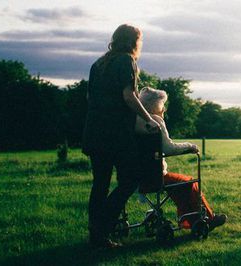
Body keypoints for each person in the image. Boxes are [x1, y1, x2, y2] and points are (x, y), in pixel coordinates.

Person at [82, 24, 160, 248]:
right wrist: (148, 118)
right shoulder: (126, 61)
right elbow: (129, 96)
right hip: (115, 134)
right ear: (133, 41)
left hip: (94, 132)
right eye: (140, 40)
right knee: (131, 179)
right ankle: (103, 225)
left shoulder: (98, 64)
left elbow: (90, 97)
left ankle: (96, 236)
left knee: (100, 184)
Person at [135, 87, 227, 230]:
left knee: (179, 184)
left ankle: (192, 220)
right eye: (162, 104)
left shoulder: (133, 120)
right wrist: (190, 146)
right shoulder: (155, 121)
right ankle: (207, 219)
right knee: (189, 182)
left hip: (135, 177)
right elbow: (169, 149)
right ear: (153, 106)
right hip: (155, 176)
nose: (164, 109)